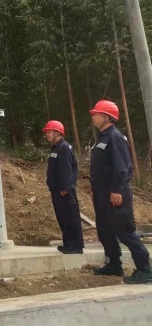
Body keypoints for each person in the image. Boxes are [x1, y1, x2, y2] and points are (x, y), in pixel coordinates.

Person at [90, 100, 152, 284]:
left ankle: (146, 269)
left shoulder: (115, 137)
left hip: (116, 193)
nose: (93, 117)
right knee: (105, 230)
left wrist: (117, 190)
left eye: (96, 114)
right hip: (102, 194)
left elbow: (122, 168)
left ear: (106, 117)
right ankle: (114, 264)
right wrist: (95, 190)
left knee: (125, 232)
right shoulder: (102, 137)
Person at [44, 120, 84, 255]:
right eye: (47, 132)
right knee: (63, 218)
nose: (47, 134)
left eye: (49, 132)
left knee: (70, 217)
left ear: (58, 132)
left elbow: (66, 169)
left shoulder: (64, 147)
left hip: (64, 190)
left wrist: (65, 188)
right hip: (57, 189)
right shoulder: (56, 148)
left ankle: (76, 246)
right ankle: (69, 244)